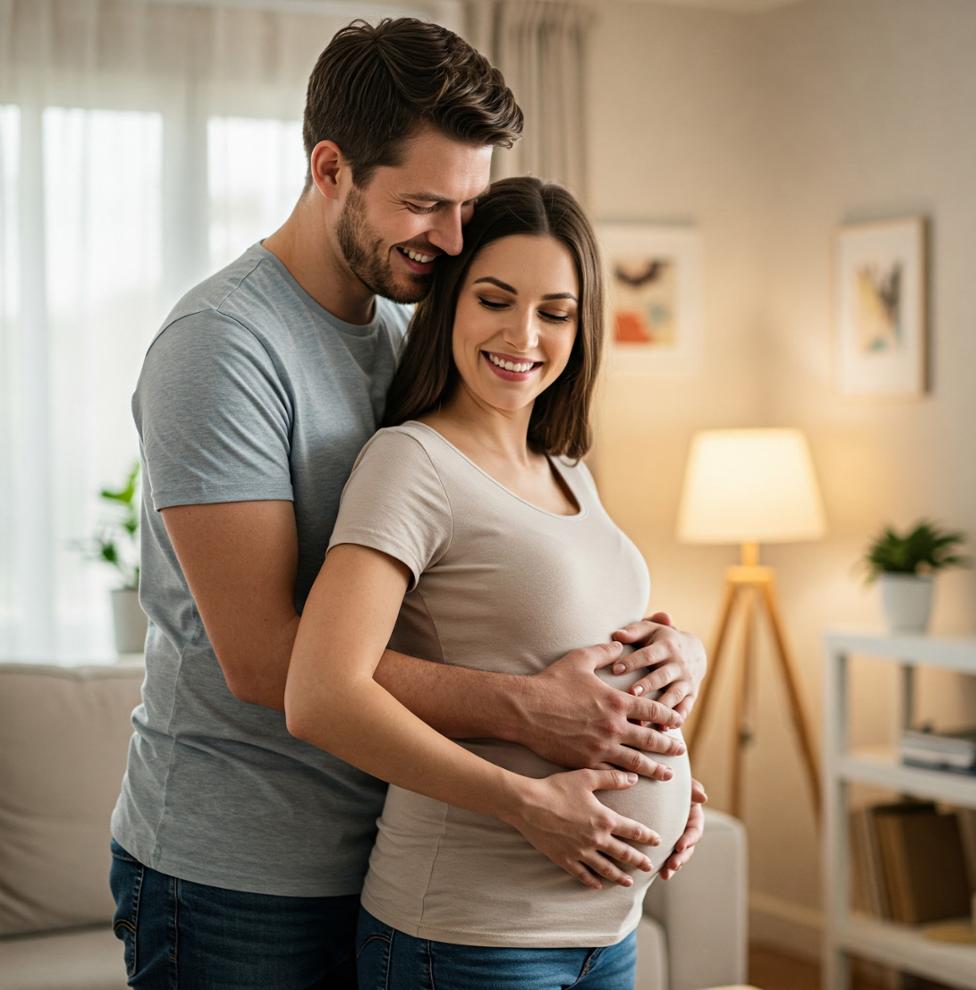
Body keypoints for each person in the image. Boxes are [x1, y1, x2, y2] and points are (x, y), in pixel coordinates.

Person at [109, 17, 707, 990]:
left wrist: (642, 726)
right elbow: (268, 661)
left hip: (390, 838)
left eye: (466, 205)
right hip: (240, 869)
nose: (454, 240)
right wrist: (534, 717)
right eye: (426, 204)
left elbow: (474, 594)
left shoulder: (405, 329)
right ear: (331, 169)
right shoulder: (221, 348)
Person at [284, 176, 695, 990]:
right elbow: (320, 697)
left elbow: (570, 656)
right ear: (449, 305)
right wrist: (524, 802)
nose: (524, 335)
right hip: (471, 938)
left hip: (606, 936)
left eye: (555, 312)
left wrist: (670, 749)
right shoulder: (412, 463)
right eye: (495, 300)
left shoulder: (568, 471)